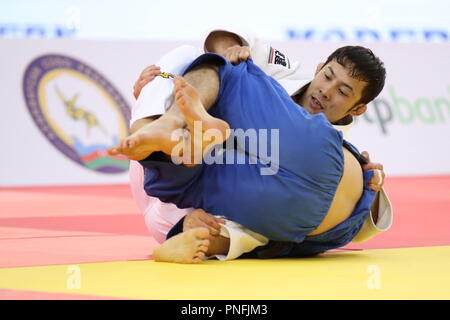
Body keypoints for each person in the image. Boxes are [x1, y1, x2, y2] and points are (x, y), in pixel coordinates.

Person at [109, 42, 388, 263]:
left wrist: (154, 94)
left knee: (207, 64)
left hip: (299, 192)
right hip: (287, 217)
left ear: (357, 109)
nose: (327, 91)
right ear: (318, 69)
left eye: (342, 92)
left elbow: (222, 53)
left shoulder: (325, 135)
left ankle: (157, 124)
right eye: (327, 76)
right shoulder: (290, 76)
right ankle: (162, 129)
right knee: (201, 192)